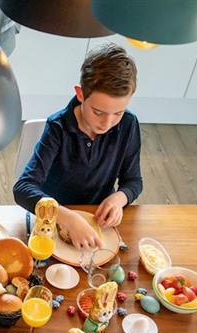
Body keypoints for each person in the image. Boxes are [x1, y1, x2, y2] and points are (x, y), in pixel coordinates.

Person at [13, 43, 143, 251]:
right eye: (99, 112)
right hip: (52, 223)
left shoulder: (128, 125)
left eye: (117, 113)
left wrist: (120, 198)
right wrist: (68, 218)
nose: (107, 123)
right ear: (80, 94)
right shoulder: (58, 128)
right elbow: (22, 189)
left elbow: (133, 181)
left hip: (97, 221)